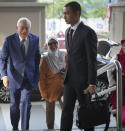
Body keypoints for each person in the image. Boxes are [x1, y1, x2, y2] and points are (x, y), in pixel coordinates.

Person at [60, 1, 97, 131]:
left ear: (77, 13)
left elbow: (92, 60)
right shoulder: (67, 31)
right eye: (63, 13)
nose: (64, 16)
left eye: (67, 13)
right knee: (66, 112)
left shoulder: (88, 32)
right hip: (69, 80)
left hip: (83, 82)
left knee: (85, 114)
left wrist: (92, 83)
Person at [0, 17, 41, 130]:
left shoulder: (35, 39)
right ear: (17, 28)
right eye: (22, 28)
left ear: (29, 29)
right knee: (14, 105)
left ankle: (24, 128)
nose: (24, 31)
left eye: (27, 28)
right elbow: (3, 59)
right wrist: (4, 76)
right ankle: (15, 127)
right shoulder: (9, 40)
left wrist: (36, 76)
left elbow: (37, 58)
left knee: (26, 103)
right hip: (13, 78)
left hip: (28, 78)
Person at [39, 37, 66, 129]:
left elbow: (70, 70)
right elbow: (41, 78)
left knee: (66, 110)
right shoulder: (45, 59)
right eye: (50, 44)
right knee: (50, 111)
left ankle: (65, 127)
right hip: (50, 89)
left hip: (63, 87)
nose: (53, 45)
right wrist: (43, 92)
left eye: (55, 43)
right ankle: (50, 128)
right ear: (47, 46)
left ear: (58, 44)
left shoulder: (64, 55)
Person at [107, 40, 125, 126]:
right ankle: (120, 124)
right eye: (124, 46)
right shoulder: (117, 57)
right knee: (119, 106)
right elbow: (109, 70)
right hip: (120, 85)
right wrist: (112, 83)